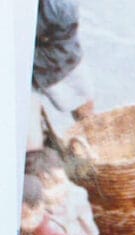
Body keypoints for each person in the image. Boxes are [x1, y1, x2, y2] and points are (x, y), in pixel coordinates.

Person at [28, 0, 95, 150]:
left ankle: (93, 140)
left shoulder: (61, 9)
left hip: (53, 42)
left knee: (84, 106)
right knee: (32, 143)